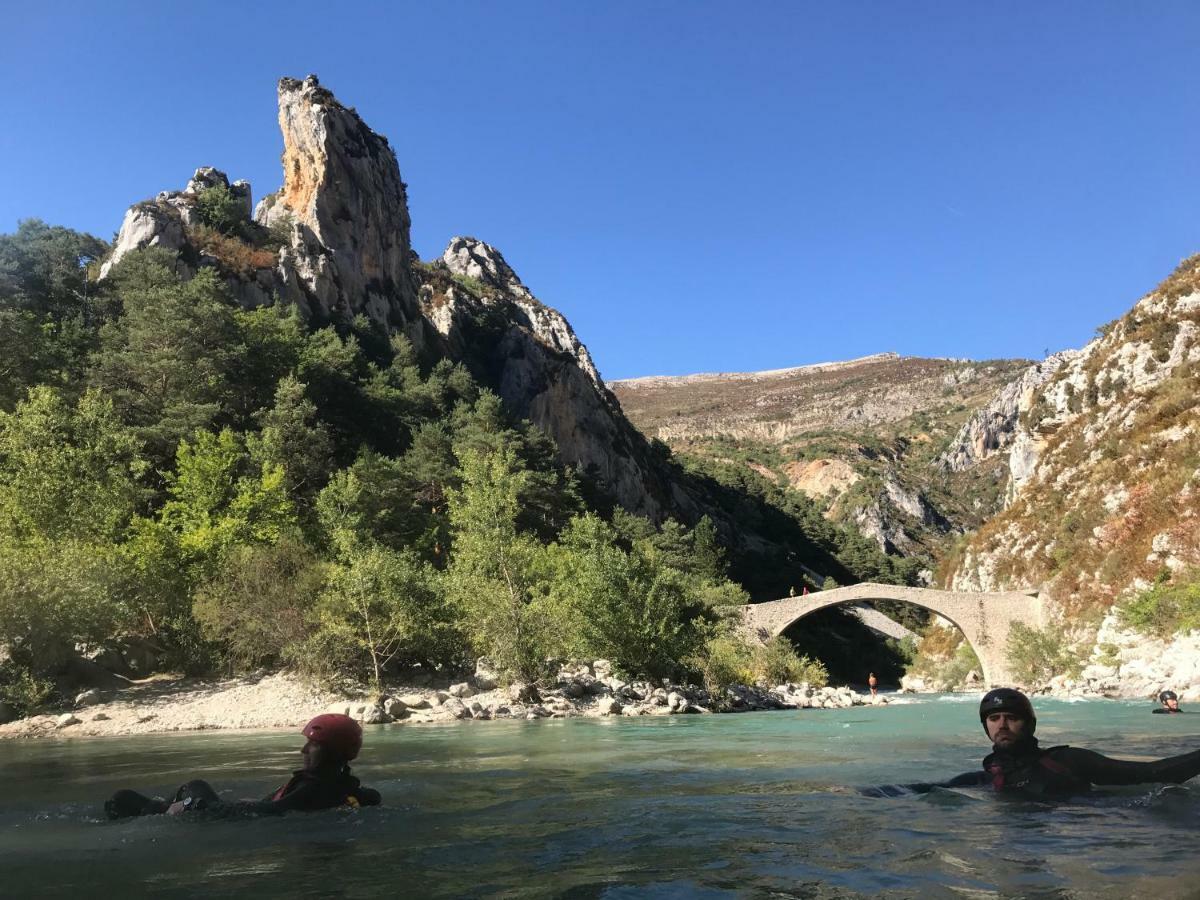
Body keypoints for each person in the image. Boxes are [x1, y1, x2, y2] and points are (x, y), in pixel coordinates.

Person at [864, 687, 1200, 798]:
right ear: (986, 728)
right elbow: (928, 788)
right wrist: (865, 792)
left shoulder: (1069, 761)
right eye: (994, 719)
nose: (1003, 724)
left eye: (1012, 717)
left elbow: (1152, 773)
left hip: (1081, 838)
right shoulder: (987, 777)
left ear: (1029, 723)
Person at [105, 713, 381, 819]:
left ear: (333, 751)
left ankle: (162, 809)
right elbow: (368, 797)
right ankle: (162, 808)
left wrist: (196, 806)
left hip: (219, 818)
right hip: (241, 814)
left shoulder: (315, 786)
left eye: (313, 746)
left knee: (191, 787)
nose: (304, 750)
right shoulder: (343, 785)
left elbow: (276, 810)